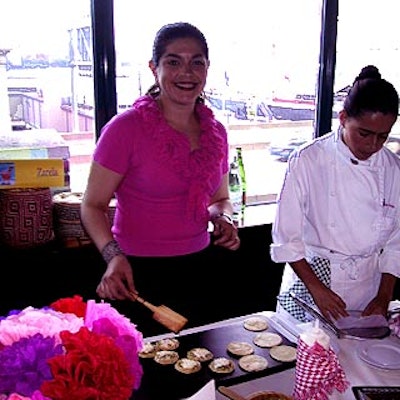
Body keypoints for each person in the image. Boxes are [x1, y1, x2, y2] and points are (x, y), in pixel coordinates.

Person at [80, 22, 240, 336]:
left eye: (197, 62)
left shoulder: (216, 132)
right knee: (144, 376)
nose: (187, 72)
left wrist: (224, 220)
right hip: (135, 273)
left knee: (201, 367)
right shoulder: (125, 129)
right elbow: (92, 205)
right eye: (173, 62)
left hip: (199, 267)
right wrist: (113, 257)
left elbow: (220, 200)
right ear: (155, 68)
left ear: (208, 69)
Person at [270, 65, 400, 323]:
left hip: (367, 288)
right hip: (313, 281)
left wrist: (384, 296)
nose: (372, 145)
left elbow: (396, 242)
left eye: (382, 137)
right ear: (343, 119)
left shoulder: (392, 168)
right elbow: (287, 239)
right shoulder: (308, 160)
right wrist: (317, 289)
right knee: (307, 356)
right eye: (364, 133)